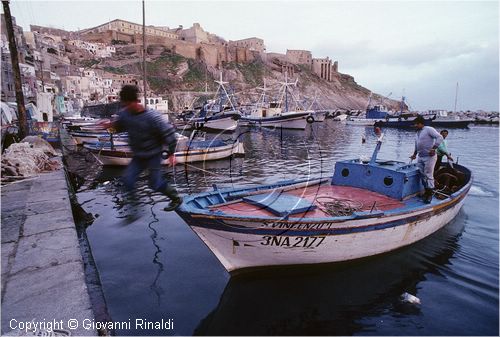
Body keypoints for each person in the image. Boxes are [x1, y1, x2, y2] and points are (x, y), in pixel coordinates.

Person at [109, 85, 182, 212]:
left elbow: (170, 135)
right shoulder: (125, 114)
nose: (124, 109)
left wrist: (171, 154)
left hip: (153, 155)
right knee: (127, 180)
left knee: (155, 184)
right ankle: (134, 209)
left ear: (135, 102)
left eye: (126, 105)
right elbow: (119, 127)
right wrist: (109, 126)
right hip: (138, 156)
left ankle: (176, 198)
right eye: (123, 105)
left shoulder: (153, 117)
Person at [410, 115, 443, 203]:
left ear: (421, 123)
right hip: (420, 156)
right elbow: (417, 145)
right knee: (422, 174)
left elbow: (440, 137)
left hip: (429, 157)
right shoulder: (417, 133)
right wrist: (414, 154)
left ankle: (429, 194)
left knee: (429, 174)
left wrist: (434, 148)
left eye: (416, 124)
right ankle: (426, 190)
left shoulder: (429, 129)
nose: (415, 126)